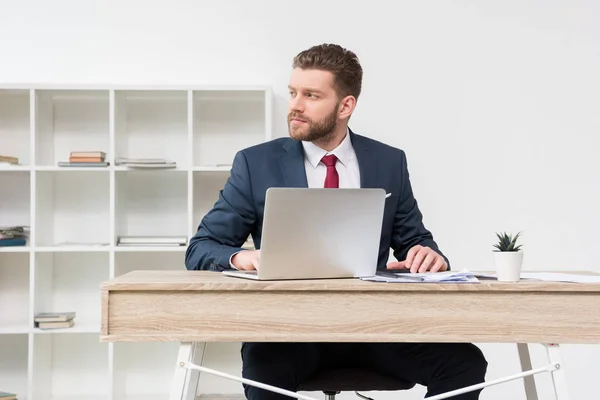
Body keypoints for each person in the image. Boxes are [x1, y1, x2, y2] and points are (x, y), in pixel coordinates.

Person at [185, 43, 488, 400]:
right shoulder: (256, 164)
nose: (295, 105)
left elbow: (415, 240)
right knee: (264, 369)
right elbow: (200, 249)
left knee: (465, 363)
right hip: (289, 331)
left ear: (345, 106)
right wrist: (244, 257)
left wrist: (428, 255)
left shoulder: (388, 162)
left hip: (374, 327)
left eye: (311, 95)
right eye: (293, 92)